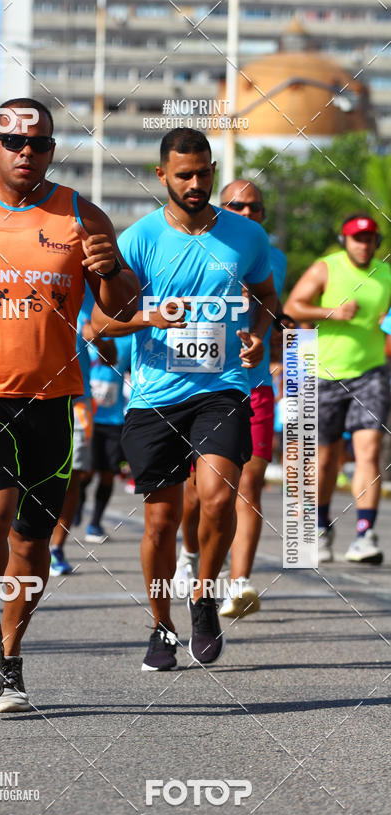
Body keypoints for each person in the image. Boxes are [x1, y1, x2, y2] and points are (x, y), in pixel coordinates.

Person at [0, 98, 139, 712]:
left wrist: (112, 268)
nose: (25, 153)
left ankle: (11, 657)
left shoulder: (83, 217)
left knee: (32, 539)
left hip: (54, 397)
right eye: (13, 142)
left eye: (38, 144)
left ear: (51, 150)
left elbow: (117, 308)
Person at [92, 128, 278, 671]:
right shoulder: (140, 240)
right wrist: (150, 316)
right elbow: (99, 323)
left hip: (222, 389)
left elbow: (265, 297)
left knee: (220, 497)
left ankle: (202, 596)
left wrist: (257, 334)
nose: (196, 184)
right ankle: (161, 625)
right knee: (160, 522)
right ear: (161, 177)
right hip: (154, 398)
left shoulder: (247, 237)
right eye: (184, 176)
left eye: (204, 173)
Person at [175, 180, 288, 618]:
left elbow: (274, 308)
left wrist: (268, 340)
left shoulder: (269, 255)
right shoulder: (192, 244)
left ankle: (239, 584)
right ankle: (188, 556)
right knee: (195, 494)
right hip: (197, 386)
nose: (246, 211)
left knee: (249, 484)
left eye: (255, 207)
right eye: (236, 205)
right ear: (219, 207)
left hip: (252, 383)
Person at [284, 213, 391, 565]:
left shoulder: (385, 274)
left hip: (371, 371)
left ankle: (365, 533)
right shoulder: (325, 268)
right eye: (357, 239)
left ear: (377, 243)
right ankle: (321, 525)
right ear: (345, 240)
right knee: (326, 459)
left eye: (370, 239)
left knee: (369, 450)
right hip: (324, 372)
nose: (364, 245)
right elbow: (292, 307)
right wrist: (332, 312)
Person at [48, 287, 94, 575]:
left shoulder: (91, 291)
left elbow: (111, 355)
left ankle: (56, 546)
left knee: (73, 476)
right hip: (36, 396)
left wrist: (100, 337)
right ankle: (29, 537)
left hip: (78, 402)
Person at [78, 331, 132, 542]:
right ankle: (77, 504)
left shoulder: (127, 340)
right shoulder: (84, 336)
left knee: (108, 473)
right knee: (85, 473)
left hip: (114, 421)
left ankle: (95, 524)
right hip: (87, 416)